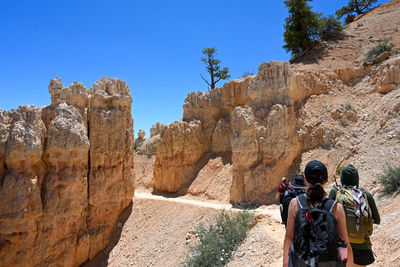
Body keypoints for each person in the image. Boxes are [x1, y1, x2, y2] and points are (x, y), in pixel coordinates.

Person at [283, 160, 353, 267]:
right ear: (326, 180)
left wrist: (285, 263)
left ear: (305, 180)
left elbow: (289, 237)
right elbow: (344, 243)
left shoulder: (295, 204)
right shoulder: (336, 207)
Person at [329, 164, 380, 267]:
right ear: (357, 178)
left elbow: (328, 217)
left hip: (341, 245)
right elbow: (377, 220)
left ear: (342, 178)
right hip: (363, 246)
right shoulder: (366, 195)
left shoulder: (335, 192)